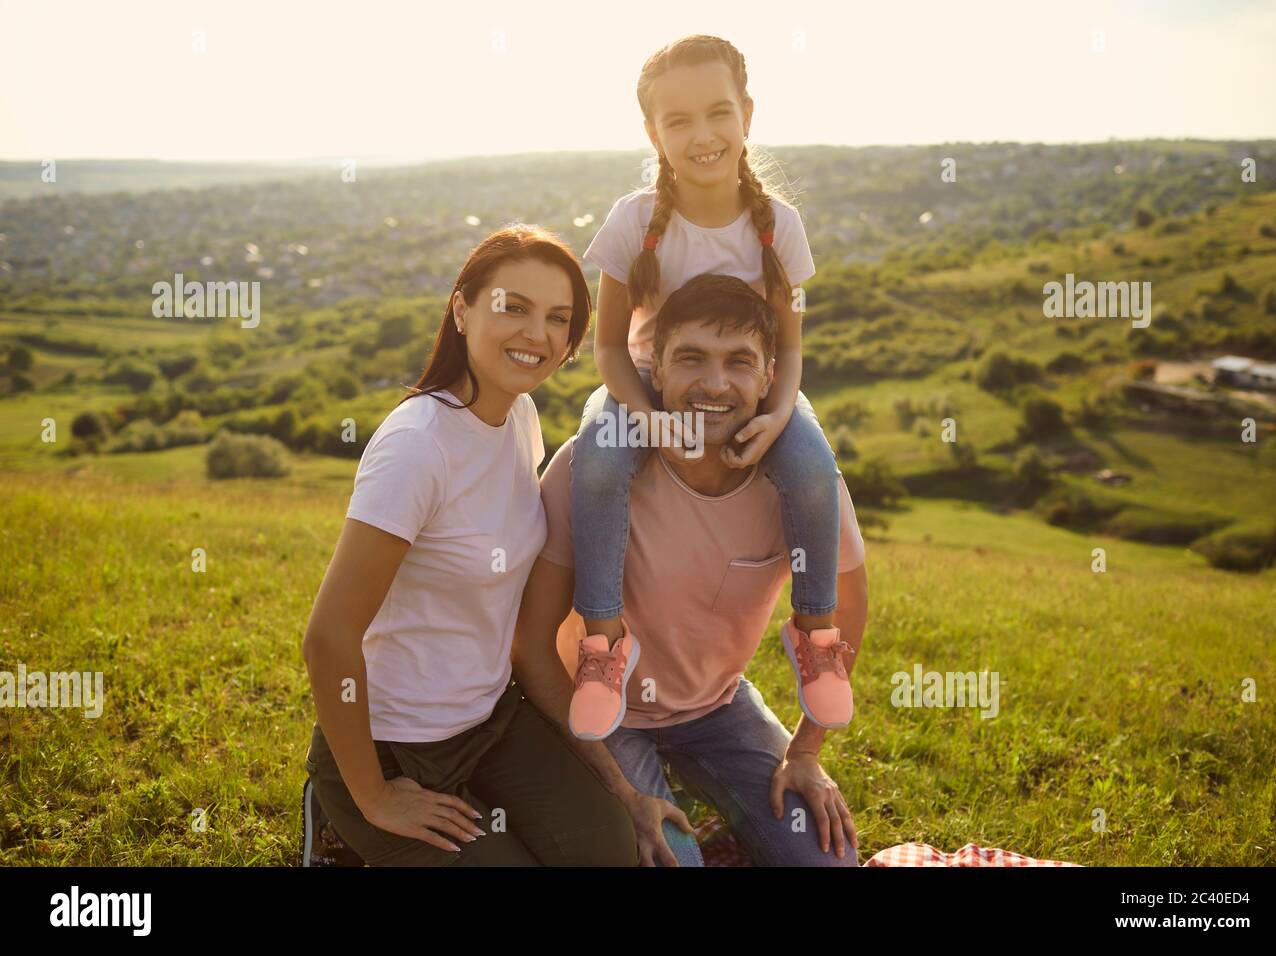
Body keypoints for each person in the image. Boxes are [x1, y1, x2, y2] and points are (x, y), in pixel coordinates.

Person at [300, 226, 637, 866]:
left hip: (491, 723)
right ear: (462, 308)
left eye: (557, 319)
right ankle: (340, 816)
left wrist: (621, 783)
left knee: (610, 853)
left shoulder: (519, 416)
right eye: (514, 307)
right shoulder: (417, 446)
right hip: (392, 748)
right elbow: (328, 638)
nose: (536, 334)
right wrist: (375, 795)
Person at [514, 273, 868, 866]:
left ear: (770, 375)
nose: (714, 383)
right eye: (691, 358)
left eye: (739, 361)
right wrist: (618, 788)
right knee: (671, 860)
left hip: (720, 706)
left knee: (826, 862)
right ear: (654, 367)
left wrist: (805, 750)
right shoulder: (588, 469)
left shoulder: (806, 488)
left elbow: (848, 610)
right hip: (604, 716)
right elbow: (530, 645)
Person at [568, 34, 848, 741]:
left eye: (718, 113)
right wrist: (646, 418)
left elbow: (788, 348)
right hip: (644, 387)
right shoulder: (635, 221)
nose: (702, 135)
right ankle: (603, 646)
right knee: (597, 464)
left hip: (751, 393)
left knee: (814, 472)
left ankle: (816, 637)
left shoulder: (776, 227)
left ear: (747, 116)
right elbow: (607, 344)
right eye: (679, 120)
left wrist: (780, 415)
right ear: (652, 134)